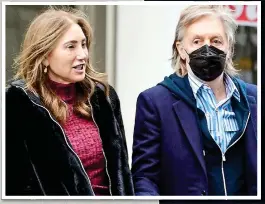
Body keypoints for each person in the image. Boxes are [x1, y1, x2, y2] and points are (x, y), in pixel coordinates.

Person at [6, 8, 134, 196]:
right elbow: (13, 184)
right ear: (45, 56)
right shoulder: (18, 105)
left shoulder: (103, 98)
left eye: (83, 44)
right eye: (71, 46)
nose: (82, 54)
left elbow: (123, 172)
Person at [131, 5, 257, 196]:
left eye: (216, 40)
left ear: (229, 47)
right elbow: (145, 178)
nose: (207, 48)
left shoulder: (255, 100)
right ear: (182, 50)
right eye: (197, 41)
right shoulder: (155, 103)